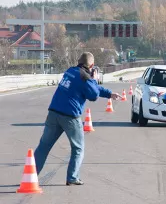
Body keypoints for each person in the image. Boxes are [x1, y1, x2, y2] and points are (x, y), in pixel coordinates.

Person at [34, 52, 121, 186]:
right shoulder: (86, 79)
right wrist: (94, 79)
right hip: (70, 117)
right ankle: (72, 177)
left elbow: (90, 88)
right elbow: (93, 95)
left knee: (43, 146)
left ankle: (31, 175)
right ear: (91, 65)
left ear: (79, 61)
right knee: (78, 148)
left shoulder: (70, 71)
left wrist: (109, 94)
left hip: (53, 113)